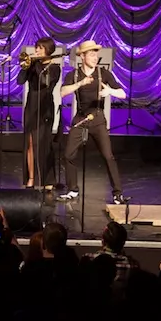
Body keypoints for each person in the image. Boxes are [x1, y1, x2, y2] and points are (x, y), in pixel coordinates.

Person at [58, 40, 127, 204]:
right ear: (82, 56)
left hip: (97, 119)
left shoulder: (104, 74)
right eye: (91, 54)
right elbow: (62, 92)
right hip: (81, 118)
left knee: (108, 156)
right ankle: (73, 189)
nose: (95, 58)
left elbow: (123, 94)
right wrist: (80, 83)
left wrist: (110, 91)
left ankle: (117, 193)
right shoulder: (74, 75)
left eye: (96, 55)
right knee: (68, 154)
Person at [18, 37, 61, 188]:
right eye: (36, 47)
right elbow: (20, 81)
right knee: (30, 143)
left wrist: (35, 63)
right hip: (31, 107)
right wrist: (25, 66)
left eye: (40, 48)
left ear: (48, 50)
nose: (36, 50)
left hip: (45, 108)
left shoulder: (54, 68)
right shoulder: (33, 65)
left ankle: (47, 180)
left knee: (44, 144)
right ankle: (31, 177)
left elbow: (44, 82)